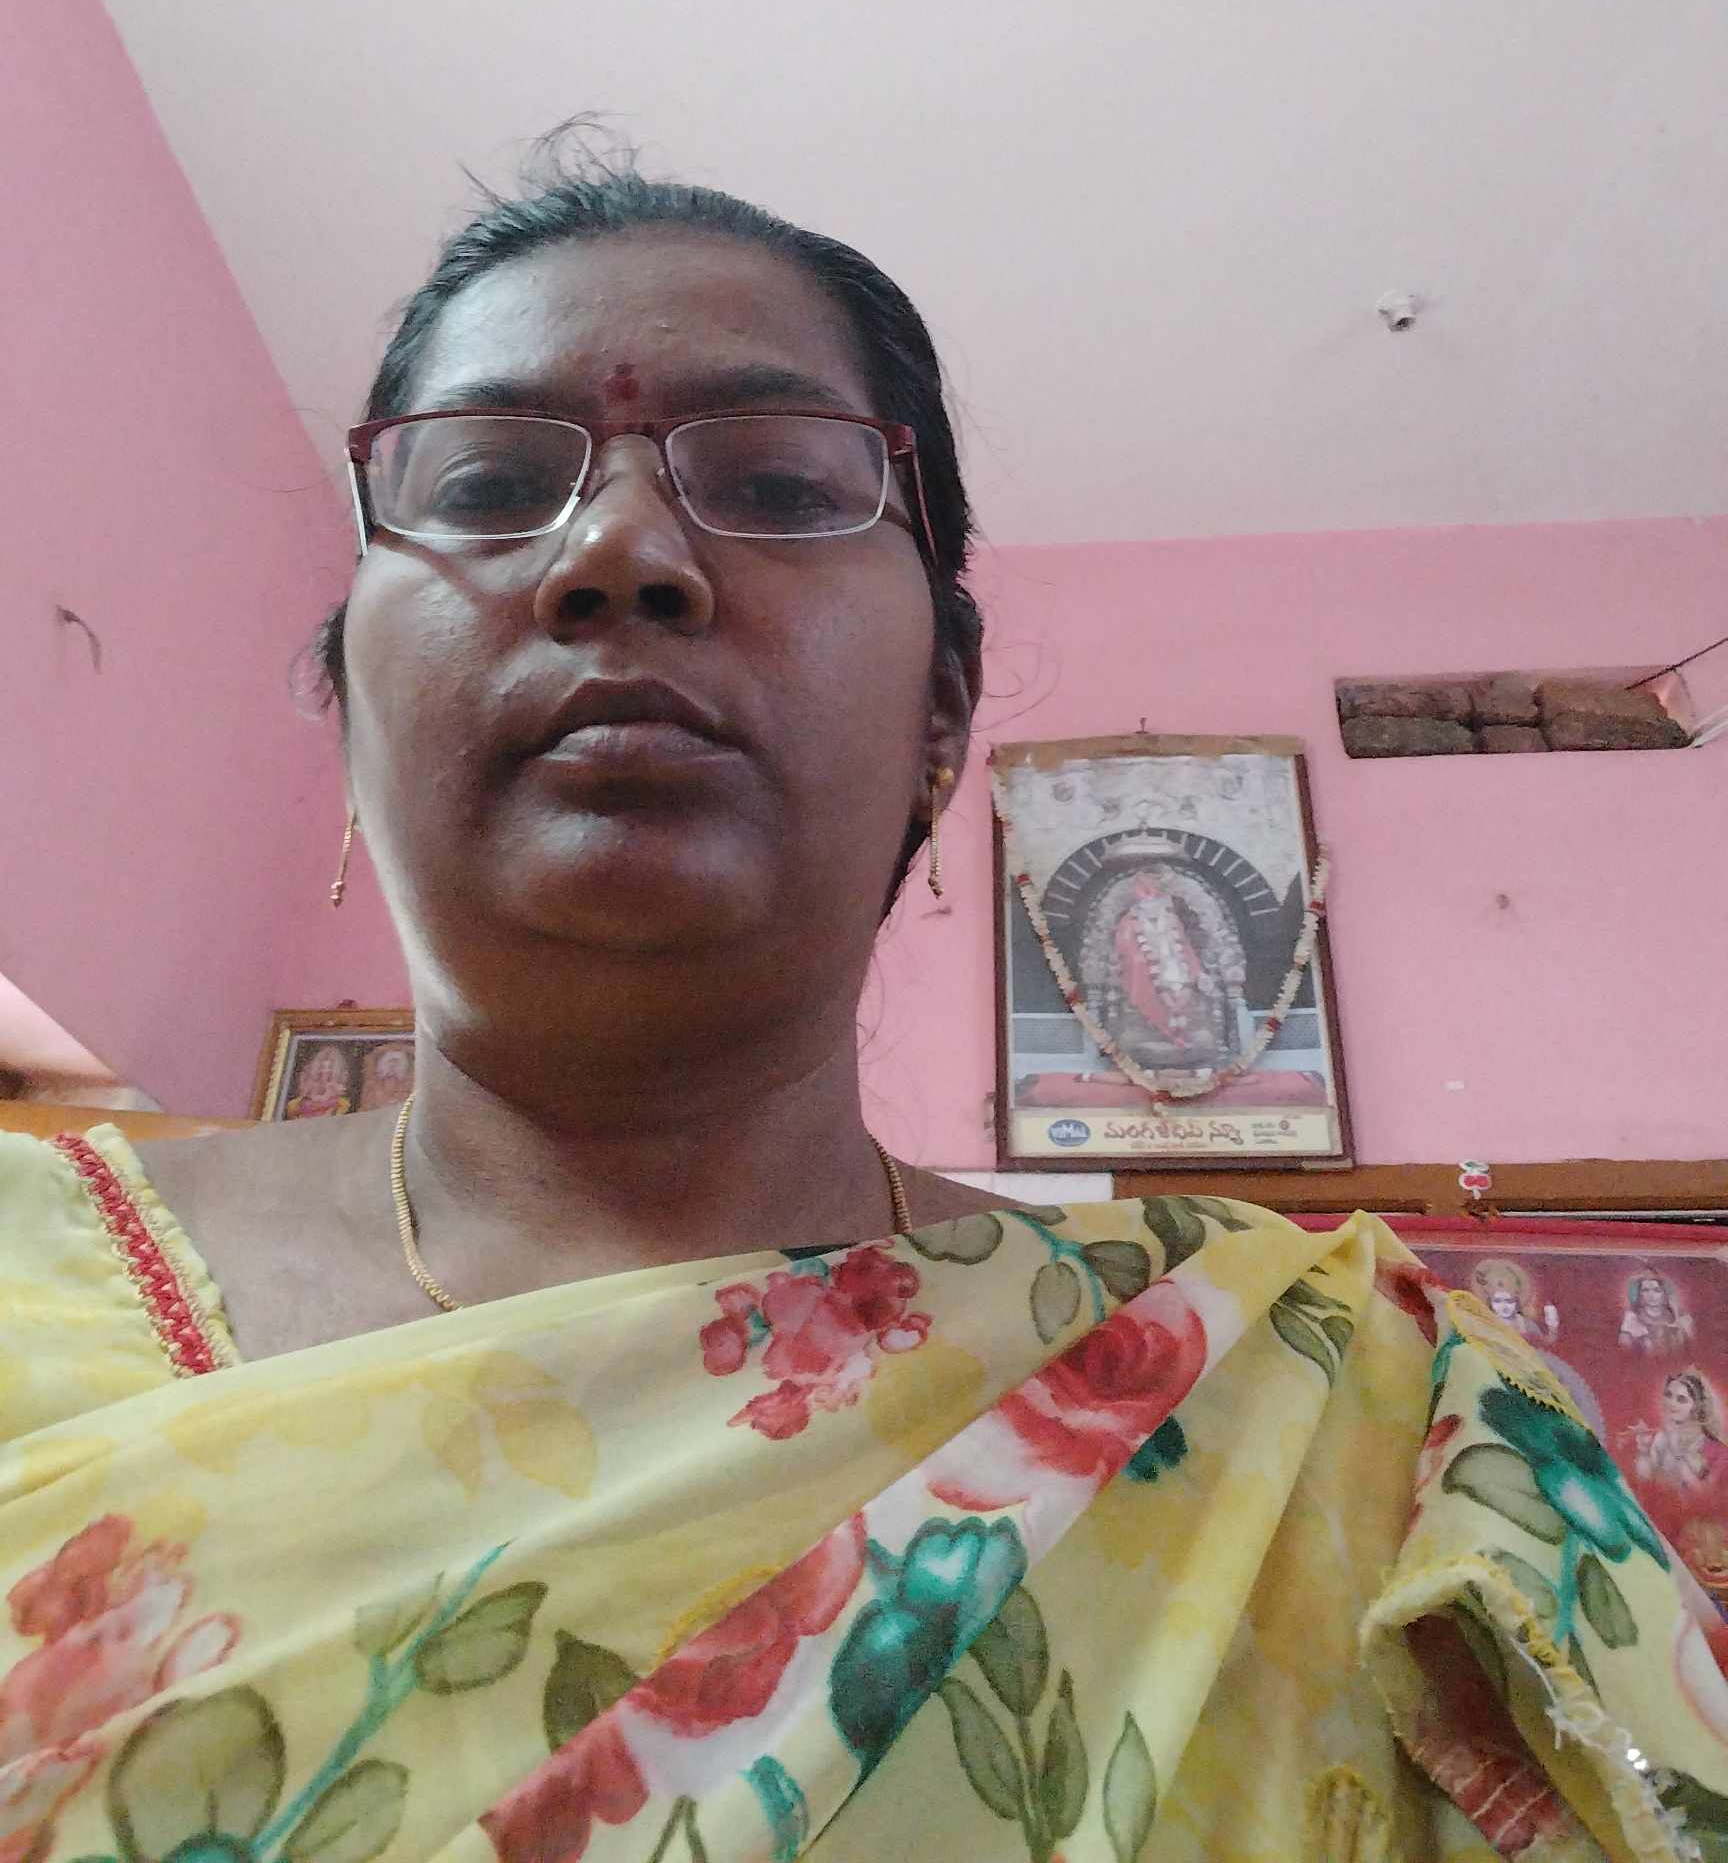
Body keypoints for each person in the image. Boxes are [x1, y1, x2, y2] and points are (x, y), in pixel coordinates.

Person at [2, 144, 1723, 1860]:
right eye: (486, 483)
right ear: (348, 710)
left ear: (940, 717)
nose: (619, 550)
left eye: (773, 482)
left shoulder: (1357, 1417)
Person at [1631, 1372, 1728, 1493]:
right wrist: (1644, 1451)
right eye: (1668, 1395)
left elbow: (1703, 1495)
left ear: (1697, 1406)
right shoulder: (1661, 1437)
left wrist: (1678, 1451)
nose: (1671, 1403)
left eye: (1681, 1399)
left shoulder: (1718, 1451)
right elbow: (1645, 1483)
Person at [1469, 1256, 1560, 1348]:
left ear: (1517, 1300)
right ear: (1490, 1301)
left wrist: (1552, 1327)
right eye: (1497, 1301)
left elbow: (1544, 1343)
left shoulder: (1527, 1324)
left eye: (1509, 1301)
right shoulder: (1485, 1323)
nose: (1503, 1306)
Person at [1620, 1269, 1694, 1358]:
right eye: (1645, 1290)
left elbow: (1689, 1349)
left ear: (1665, 1293)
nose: (1651, 1295)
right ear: (1639, 1294)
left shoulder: (1679, 1318)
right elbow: (1624, 1350)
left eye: (1657, 1290)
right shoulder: (1632, 1318)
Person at [282, 1039, 356, 1119]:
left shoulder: (342, 1107)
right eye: (322, 1066)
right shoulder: (295, 1107)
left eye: (330, 1067)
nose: (324, 1071)